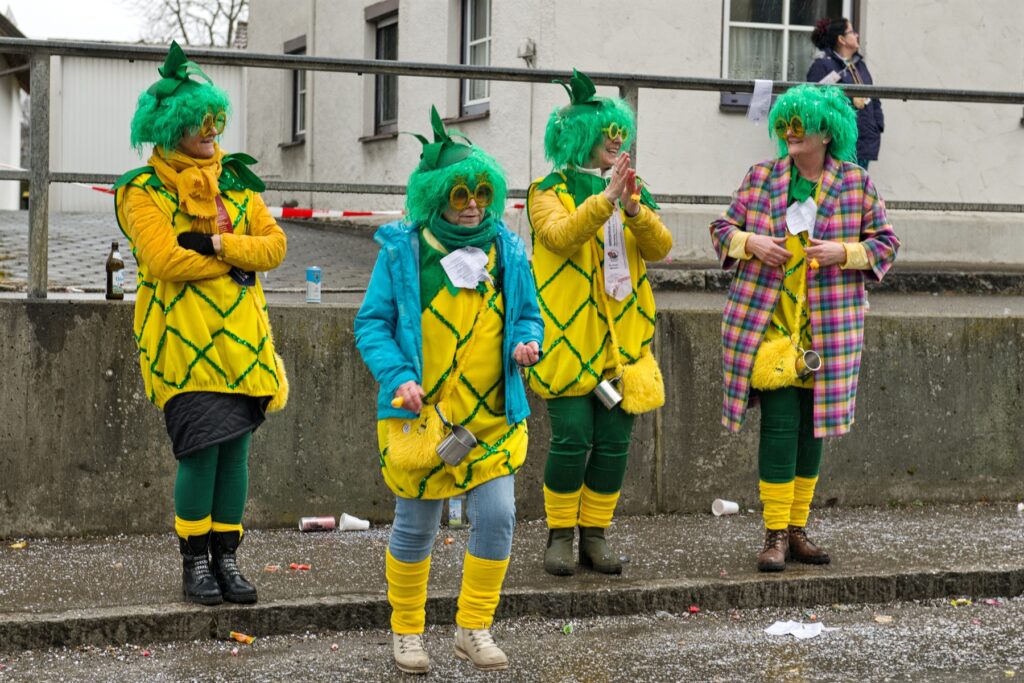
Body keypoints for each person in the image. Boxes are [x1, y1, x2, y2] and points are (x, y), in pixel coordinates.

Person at [354, 106, 543, 675]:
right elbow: (372, 324)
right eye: (461, 194)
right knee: (417, 525)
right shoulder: (404, 252)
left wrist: (527, 343)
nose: (473, 205)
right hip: (422, 419)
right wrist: (399, 377)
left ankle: (473, 628)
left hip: (492, 416)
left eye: (482, 193)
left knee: (499, 516)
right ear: (437, 195)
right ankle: (407, 632)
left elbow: (530, 315)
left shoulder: (508, 250)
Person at [113, 42, 288, 605]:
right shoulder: (141, 189)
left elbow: (275, 247)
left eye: (217, 119)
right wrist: (236, 261)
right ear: (172, 126)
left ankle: (226, 558)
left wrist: (215, 245)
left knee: (235, 453)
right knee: (201, 450)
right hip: (182, 340)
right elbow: (164, 260)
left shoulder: (236, 182)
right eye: (200, 121)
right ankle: (194, 562)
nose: (212, 130)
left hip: (244, 342)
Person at [709, 84, 899, 572]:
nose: (790, 132)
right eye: (786, 123)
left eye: (801, 124)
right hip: (769, 327)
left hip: (827, 330)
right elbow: (721, 230)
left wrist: (844, 252)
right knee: (778, 427)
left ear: (827, 132)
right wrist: (752, 243)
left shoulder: (856, 183)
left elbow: (886, 244)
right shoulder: (761, 177)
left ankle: (797, 530)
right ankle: (774, 532)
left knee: (814, 431)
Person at [527, 69, 672, 577]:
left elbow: (661, 248)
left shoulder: (635, 190)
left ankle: (596, 535)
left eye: (620, 132)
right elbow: (559, 236)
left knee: (614, 442)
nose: (616, 139)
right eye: (607, 132)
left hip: (624, 342)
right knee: (571, 438)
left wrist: (633, 209)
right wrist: (606, 198)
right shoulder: (545, 190)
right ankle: (559, 535)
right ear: (580, 135)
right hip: (568, 339)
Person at [807, 17, 884, 169]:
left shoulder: (860, 65)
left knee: (857, 182)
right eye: (852, 32)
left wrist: (877, 125)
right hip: (838, 141)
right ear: (841, 39)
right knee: (837, 182)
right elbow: (814, 103)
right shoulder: (822, 66)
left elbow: (874, 97)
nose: (856, 35)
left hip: (864, 140)